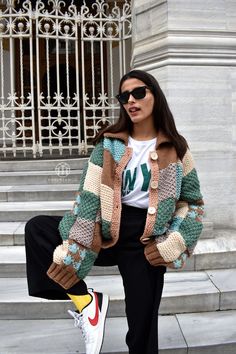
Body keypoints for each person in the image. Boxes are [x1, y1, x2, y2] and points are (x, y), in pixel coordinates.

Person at [25, 69, 204, 354]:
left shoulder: (176, 148)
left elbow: (192, 203)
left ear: (155, 95)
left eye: (138, 93)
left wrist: (175, 241)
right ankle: (87, 303)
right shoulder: (109, 145)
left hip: (145, 241)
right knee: (37, 229)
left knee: (142, 329)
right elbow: (89, 195)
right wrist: (80, 238)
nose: (131, 100)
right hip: (107, 229)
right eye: (124, 96)